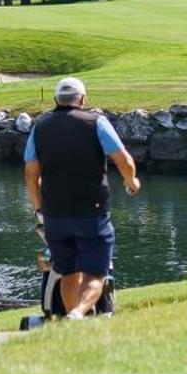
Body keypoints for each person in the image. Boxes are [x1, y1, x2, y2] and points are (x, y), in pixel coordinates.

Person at [22, 76, 139, 319]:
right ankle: (77, 313)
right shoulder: (97, 122)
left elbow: (31, 174)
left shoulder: (40, 127)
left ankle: (74, 318)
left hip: (55, 216)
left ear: (56, 100)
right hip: (92, 213)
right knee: (96, 274)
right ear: (83, 99)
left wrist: (38, 209)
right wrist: (132, 182)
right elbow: (123, 160)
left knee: (68, 273)